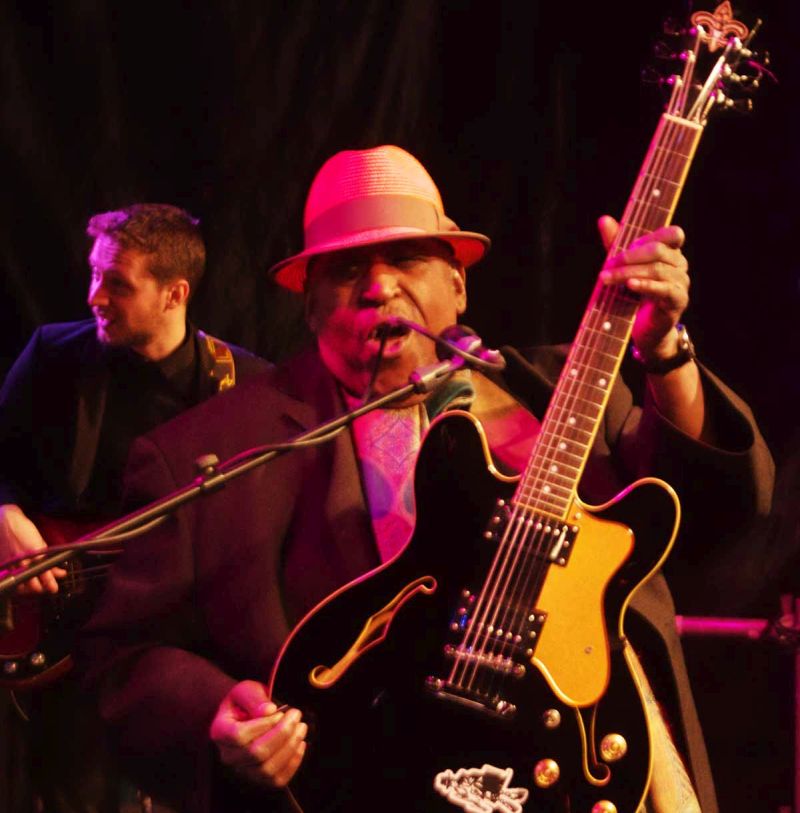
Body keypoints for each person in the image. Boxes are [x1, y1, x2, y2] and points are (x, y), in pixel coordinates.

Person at [79, 147, 774, 813]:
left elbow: (719, 510)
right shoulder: (210, 451)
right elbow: (123, 659)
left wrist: (664, 352)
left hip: (593, 774)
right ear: (309, 302)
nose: (379, 286)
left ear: (458, 284)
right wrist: (216, 713)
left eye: (408, 258)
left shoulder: (564, 395)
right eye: (348, 268)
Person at [0, 203, 271, 813]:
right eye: (94, 275)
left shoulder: (246, 387)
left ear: (175, 294)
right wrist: (4, 514)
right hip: (62, 642)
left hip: (176, 650)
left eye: (117, 283)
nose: (94, 296)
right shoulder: (55, 356)